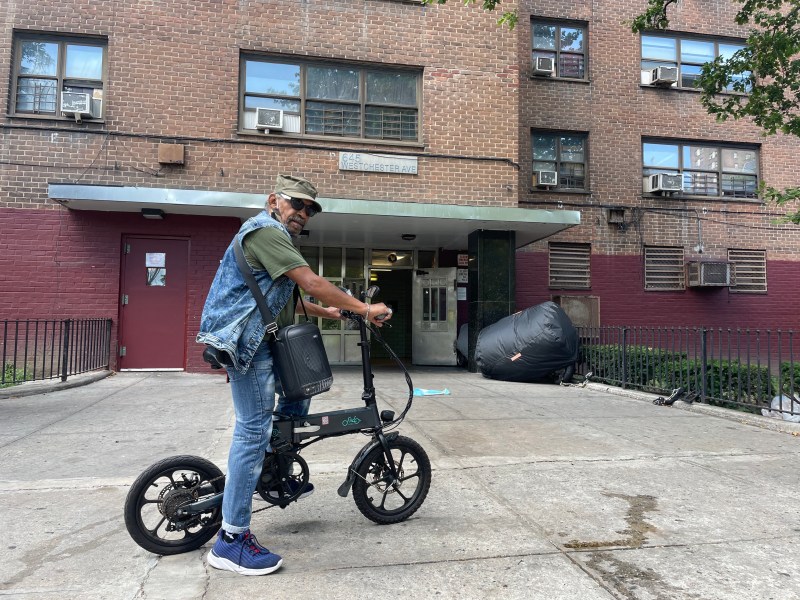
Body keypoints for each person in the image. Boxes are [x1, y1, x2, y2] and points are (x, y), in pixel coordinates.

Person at [196, 174, 392, 576]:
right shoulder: (266, 232)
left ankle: (274, 471)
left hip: (264, 342)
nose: (303, 212)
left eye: (310, 209)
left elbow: (288, 302)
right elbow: (311, 282)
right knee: (253, 430)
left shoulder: (276, 237)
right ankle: (231, 540)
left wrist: (336, 311)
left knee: (299, 395)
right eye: (297, 204)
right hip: (247, 346)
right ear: (274, 200)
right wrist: (365, 307)